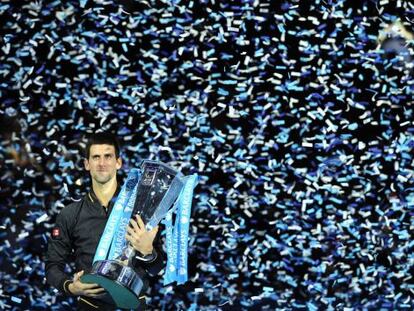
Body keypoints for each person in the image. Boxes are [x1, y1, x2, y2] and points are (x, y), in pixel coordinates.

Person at [46, 132, 164, 310]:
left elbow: (158, 269)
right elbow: (53, 266)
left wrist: (148, 252)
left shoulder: (142, 211)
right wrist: (70, 286)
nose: (102, 163)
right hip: (89, 305)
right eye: (96, 157)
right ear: (87, 164)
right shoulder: (70, 214)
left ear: (118, 162)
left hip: (134, 304)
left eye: (108, 156)